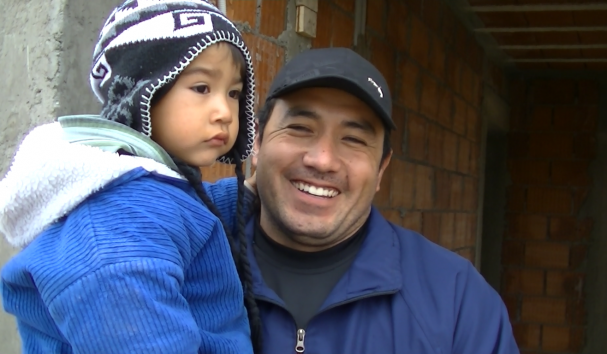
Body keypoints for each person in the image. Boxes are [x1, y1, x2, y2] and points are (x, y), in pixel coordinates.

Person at [0, 1, 262, 353]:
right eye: (201, 88)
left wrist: (251, 191)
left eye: (233, 93)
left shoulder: (144, 190)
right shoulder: (114, 232)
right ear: (142, 91)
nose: (224, 112)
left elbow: (186, 214)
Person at [244, 47, 519, 353]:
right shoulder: (191, 264)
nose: (322, 160)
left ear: (381, 169)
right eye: (299, 128)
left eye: (353, 139)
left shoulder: (456, 299)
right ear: (257, 142)